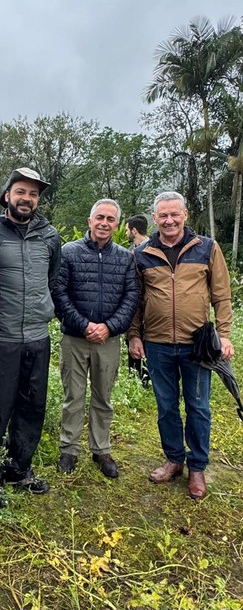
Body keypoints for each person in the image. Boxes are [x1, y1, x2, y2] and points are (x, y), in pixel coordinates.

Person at [128, 192, 234, 499]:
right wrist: (134, 335)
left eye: (174, 214)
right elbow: (136, 299)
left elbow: (221, 295)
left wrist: (224, 334)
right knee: (166, 406)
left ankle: (197, 467)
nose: (169, 220)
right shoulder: (143, 253)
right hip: (157, 344)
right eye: (163, 215)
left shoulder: (207, 248)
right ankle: (174, 459)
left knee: (198, 406)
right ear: (155, 218)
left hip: (196, 345)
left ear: (185, 215)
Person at [0, 167, 61, 502]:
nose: (26, 199)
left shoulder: (50, 236)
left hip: (38, 336)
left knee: (32, 404)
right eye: (21, 192)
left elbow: (52, 279)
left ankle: (20, 467)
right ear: (7, 195)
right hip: (3, 337)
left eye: (33, 194)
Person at [52, 199, 138, 478]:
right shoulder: (69, 252)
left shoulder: (125, 257)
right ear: (90, 221)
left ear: (117, 225)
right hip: (75, 338)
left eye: (110, 219)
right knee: (73, 396)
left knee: (103, 396)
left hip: (108, 341)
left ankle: (101, 449)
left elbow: (131, 297)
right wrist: (83, 324)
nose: (104, 223)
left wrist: (110, 327)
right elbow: (59, 293)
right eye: (99, 217)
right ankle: (69, 449)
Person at [125, 215, 151, 386]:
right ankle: (134, 377)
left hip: (147, 307)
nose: (126, 233)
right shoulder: (131, 251)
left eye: (127, 230)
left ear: (134, 231)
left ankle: (145, 378)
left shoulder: (151, 250)